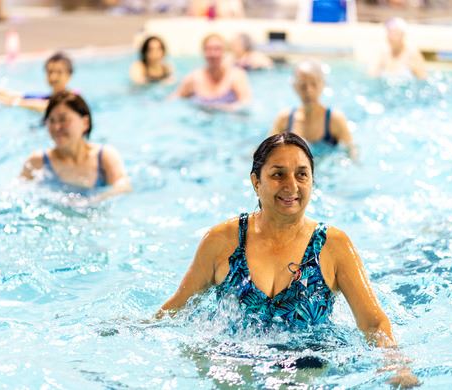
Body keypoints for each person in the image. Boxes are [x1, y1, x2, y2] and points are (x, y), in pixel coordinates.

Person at [159, 133, 418, 387]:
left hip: (306, 366)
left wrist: (395, 363)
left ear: (312, 182)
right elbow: (176, 310)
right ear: (255, 182)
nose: (291, 185)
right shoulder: (221, 242)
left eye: (301, 174)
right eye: (278, 174)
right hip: (231, 363)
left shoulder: (333, 246)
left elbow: (373, 323)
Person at [21, 91, 131, 202]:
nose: (56, 127)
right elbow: (17, 191)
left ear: (85, 123)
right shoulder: (38, 161)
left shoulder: (104, 156)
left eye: (63, 119)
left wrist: (93, 201)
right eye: (51, 120)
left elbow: (123, 186)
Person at [271, 60, 357, 159]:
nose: (309, 91)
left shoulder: (335, 120)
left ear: (323, 85)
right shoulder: (284, 119)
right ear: (294, 86)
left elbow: (352, 152)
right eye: (303, 86)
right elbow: (265, 153)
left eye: (314, 84)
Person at [0, 52, 74, 112]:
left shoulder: (74, 98)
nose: (53, 77)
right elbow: (9, 93)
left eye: (59, 72)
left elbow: (51, 107)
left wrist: (13, 102)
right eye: (50, 72)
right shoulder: (45, 97)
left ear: (69, 75)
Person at [172, 33, 251, 112]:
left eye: (217, 49)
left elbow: (246, 104)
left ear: (225, 52)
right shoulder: (194, 78)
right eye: (208, 49)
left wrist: (224, 108)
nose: (213, 54)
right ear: (203, 52)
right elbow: (172, 101)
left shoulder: (236, 76)